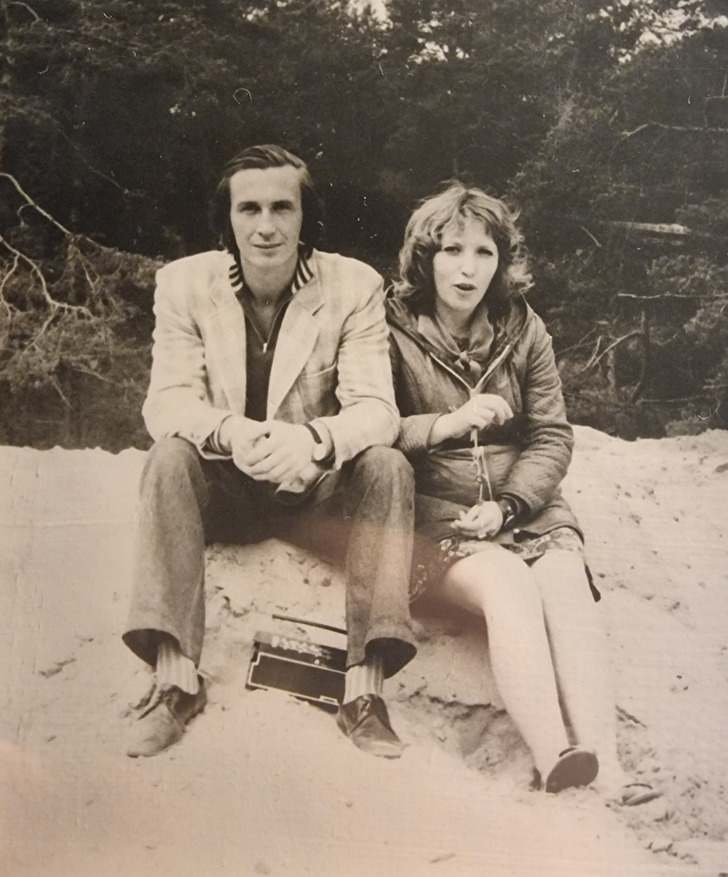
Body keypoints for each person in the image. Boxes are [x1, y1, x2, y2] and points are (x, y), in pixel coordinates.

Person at [123, 144, 416, 759]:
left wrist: (312, 440)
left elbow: (378, 410)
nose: (265, 226)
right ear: (226, 219)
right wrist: (230, 433)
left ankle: (364, 693)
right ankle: (175, 681)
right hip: (227, 487)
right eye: (248, 208)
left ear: (306, 216)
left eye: (282, 208)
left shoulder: (354, 286)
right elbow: (166, 402)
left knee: (388, 466)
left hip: (316, 492)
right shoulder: (183, 284)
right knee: (169, 457)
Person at [386, 182, 661, 803]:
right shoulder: (389, 329)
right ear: (425, 257)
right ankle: (553, 756)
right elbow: (377, 428)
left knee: (564, 582)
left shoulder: (524, 328)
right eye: (452, 250)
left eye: (484, 252)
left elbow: (552, 436)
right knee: (508, 584)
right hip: (438, 515)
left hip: (524, 508)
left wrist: (510, 504)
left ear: (501, 263)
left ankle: (608, 766)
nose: (467, 268)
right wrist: (447, 424)